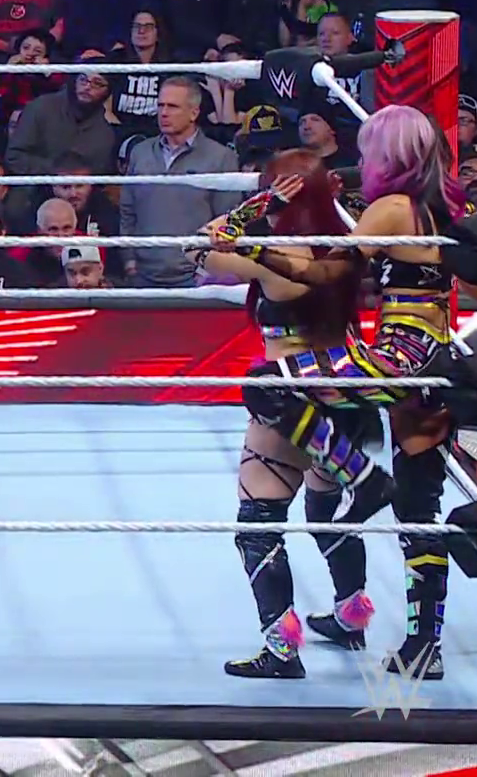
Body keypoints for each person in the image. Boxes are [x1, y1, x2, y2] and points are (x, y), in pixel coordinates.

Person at [212, 104, 471, 680]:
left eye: (370, 150)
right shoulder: (444, 209)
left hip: (396, 361)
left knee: (268, 387)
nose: (362, 160)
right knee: (419, 511)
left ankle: (362, 476)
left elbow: (329, 270)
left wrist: (257, 236)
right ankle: (422, 646)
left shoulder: (389, 208)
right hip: (434, 358)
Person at [191, 151, 382, 679]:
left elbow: (201, 245)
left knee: (258, 522)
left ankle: (281, 648)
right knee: (325, 509)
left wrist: (256, 206)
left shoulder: (276, 255)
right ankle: (351, 615)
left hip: (292, 395)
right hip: (346, 386)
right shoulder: (346, 245)